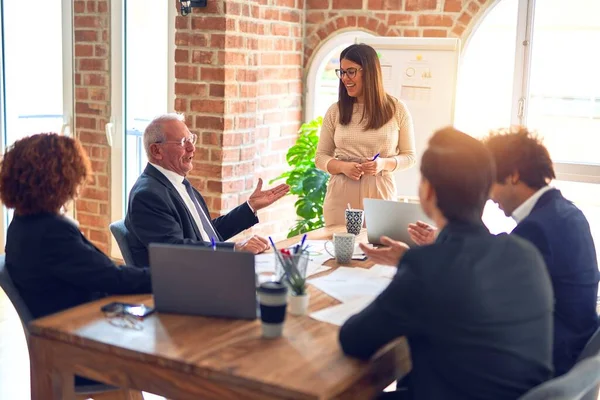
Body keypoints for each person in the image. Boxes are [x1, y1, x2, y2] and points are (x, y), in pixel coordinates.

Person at [340, 127, 554, 399]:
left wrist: (412, 266)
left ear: (428, 192)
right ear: (487, 191)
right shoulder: (525, 254)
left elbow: (354, 340)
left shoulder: (426, 267)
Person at [408, 127, 600, 376]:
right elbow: (501, 260)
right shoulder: (563, 212)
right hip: (574, 347)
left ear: (513, 176)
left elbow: (488, 286)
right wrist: (448, 239)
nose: (488, 197)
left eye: (491, 183)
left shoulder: (537, 227)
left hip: (550, 357)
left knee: (432, 350)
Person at [0, 133, 152, 320]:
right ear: (61, 180)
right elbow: (112, 278)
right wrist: (169, 277)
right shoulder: (52, 232)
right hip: (80, 326)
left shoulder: (21, 222)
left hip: (70, 321)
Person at [125, 113, 290, 266]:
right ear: (156, 150)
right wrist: (235, 249)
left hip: (204, 268)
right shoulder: (147, 195)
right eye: (183, 142)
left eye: (191, 139)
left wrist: (250, 207)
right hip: (184, 283)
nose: (192, 148)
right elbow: (174, 251)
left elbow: (205, 234)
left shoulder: (177, 182)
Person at [315, 43, 416, 226]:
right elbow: (320, 157)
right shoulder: (335, 111)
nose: (345, 78)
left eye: (351, 71)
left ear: (369, 71)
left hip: (379, 193)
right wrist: (343, 167)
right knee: (340, 251)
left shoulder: (396, 109)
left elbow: (409, 157)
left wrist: (382, 164)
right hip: (340, 195)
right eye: (342, 72)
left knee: (378, 249)